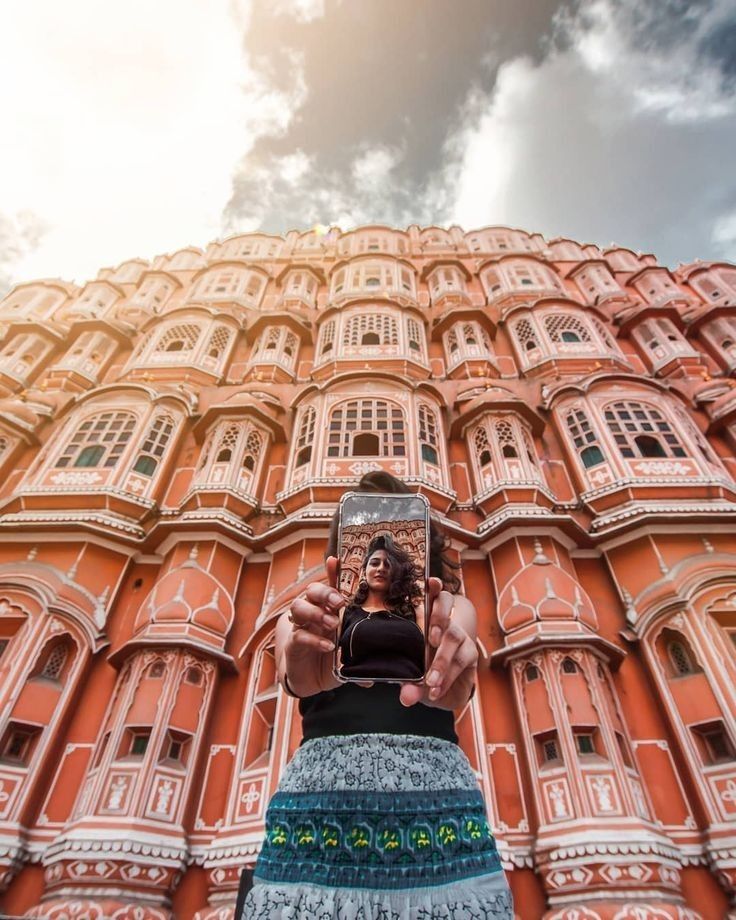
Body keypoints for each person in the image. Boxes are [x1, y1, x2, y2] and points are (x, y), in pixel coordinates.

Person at [243, 471, 513, 918]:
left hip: (435, 815)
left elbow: (456, 632)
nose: (381, 555)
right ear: (345, 547)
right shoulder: (307, 614)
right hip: (319, 816)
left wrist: (448, 673)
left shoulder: (448, 608)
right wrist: (301, 668)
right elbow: (293, 661)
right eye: (367, 533)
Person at [336, 532, 425, 680]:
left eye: (388, 564)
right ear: (363, 571)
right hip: (353, 694)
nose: (381, 568)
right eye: (375, 563)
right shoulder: (345, 612)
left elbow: (430, 656)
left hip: (408, 695)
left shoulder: (415, 612)